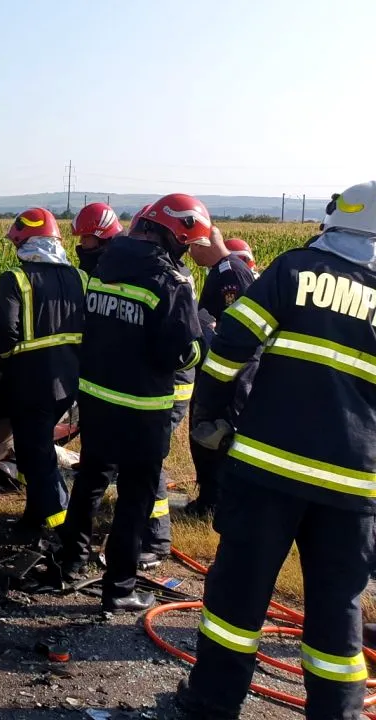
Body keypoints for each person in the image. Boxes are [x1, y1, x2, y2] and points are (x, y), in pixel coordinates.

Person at [178, 182, 376, 719]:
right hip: (353, 486)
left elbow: (229, 346)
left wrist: (214, 415)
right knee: (339, 611)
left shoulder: (294, 271)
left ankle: (211, 706)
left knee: (237, 599)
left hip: (267, 470)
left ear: (334, 223)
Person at [58, 193, 206, 612]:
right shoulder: (169, 282)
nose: (186, 252)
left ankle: (71, 560)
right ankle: (120, 587)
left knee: (89, 480)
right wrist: (203, 340)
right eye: (186, 243)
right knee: (135, 498)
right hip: (143, 406)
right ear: (174, 235)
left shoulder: (106, 263)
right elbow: (181, 354)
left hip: (97, 395)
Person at [0, 208, 86, 539]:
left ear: (25, 243)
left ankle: (62, 532)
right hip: (69, 382)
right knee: (36, 450)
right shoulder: (80, 278)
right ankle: (33, 519)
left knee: (37, 456)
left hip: (31, 383)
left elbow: (5, 333)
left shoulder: (15, 279)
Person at [179, 226, 258, 517]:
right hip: (215, 372)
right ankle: (209, 499)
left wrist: (205, 329)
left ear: (203, 244)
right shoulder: (219, 271)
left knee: (220, 439)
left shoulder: (232, 274)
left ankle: (218, 504)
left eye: (191, 247)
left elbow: (241, 332)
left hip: (232, 379)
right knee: (205, 438)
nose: (189, 253)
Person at [71, 202, 123, 273]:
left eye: (86, 236)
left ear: (102, 238)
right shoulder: (88, 261)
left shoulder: (117, 271)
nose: (81, 241)